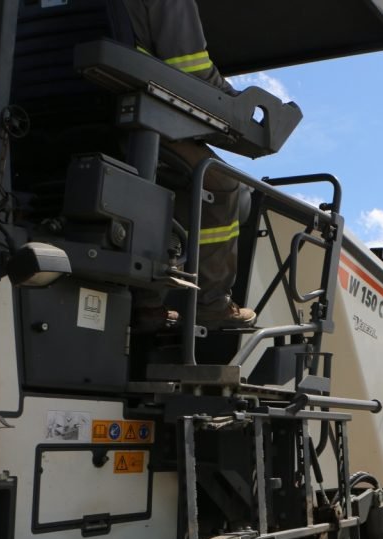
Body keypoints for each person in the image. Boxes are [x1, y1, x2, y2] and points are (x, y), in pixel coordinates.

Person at [122, 0, 256, 331]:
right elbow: (190, 69)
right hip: (133, 116)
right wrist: (239, 107)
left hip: (62, 117)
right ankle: (210, 304)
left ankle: (148, 303)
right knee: (221, 183)